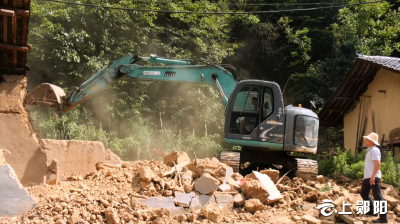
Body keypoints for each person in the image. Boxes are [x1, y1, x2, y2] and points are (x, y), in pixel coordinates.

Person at [360, 132, 387, 223]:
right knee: (364, 193)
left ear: (372, 141)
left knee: (378, 197)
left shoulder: (375, 150)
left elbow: (378, 163)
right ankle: (372, 211)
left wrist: (373, 176)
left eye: (367, 139)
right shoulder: (369, 150)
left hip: (373, 177)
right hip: (368, 177)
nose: (366, 140)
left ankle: (383, 219)